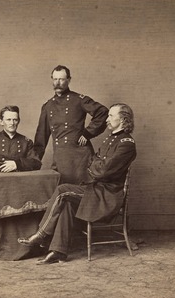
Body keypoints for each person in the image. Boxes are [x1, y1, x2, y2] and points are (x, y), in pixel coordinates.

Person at [18, 103, 137, 264]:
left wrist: (97, 166)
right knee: (66, 203)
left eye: (111, 116)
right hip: (97, 189)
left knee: (62, 190)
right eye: (107, 115)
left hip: (108, 196)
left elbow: (102, 170)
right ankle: (58, 251)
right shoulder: (112, 138)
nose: (107, 119)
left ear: (123, 119)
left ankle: (41, 234)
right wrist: (97, 165)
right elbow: (93, 162)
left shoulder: (126, 144)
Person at [34, 65, 109, 184]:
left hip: (80, 158)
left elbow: (103, 112)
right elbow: (41, 138)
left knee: (83, 193)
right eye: (55, 79)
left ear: (69, 80)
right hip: (60, 158)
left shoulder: (79, 99)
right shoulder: (48, 106)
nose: (58, 83)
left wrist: (87, 133)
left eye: (62, 79)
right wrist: (34, 162)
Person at [0, 105, 42, 172]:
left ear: (18, 121)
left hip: (19, 180)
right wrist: (8, 167)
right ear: (1, 121)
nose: (12, 123)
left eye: (15, 120)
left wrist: (17, 164)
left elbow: (36, 163)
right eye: (8, 120)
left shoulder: (26, 142)